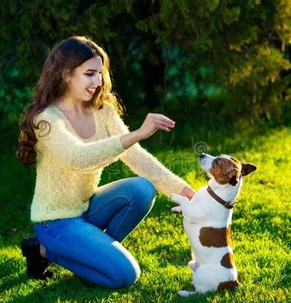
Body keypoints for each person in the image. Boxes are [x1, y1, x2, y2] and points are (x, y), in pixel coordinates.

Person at [16, 36, 195, 288]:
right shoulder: (46, 120)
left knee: (142, 189)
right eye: (90, 74)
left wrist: (185, 191)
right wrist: (136, 134)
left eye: (100, 73)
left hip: (87, 207)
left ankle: (91, 257)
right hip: (55, 221)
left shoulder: (103, 112)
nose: (98, 82)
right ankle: (46, 251)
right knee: (126, 276)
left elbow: (136, 156)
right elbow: (78, 158)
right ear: (67, 74)